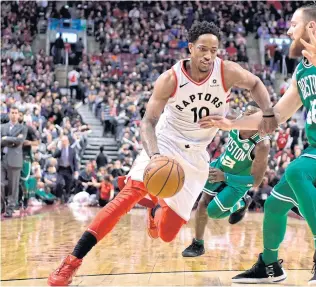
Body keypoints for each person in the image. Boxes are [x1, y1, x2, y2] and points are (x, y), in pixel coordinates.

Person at [47, 21, 277, 286]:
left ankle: (155, 209)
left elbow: (257, 83)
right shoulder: (171, 78)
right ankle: (71, 262)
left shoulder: (227, 72)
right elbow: (148, 121)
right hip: (166, 143)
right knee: (127, 197)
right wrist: (154, 154)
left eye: (214, 50)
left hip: (196, 156)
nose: (208, 55)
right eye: (202, 48)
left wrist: (268, 112)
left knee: (167, 235)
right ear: (190, 48)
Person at [200, 5, 316, 285]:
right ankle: (269, 264)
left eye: (294, 24)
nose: (288, 29)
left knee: (296, 170)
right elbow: (277, 115)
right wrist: (231, 124)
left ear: (311, 28)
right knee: (275, 205)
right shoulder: (301, 72)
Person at [182, 102, 270, 257]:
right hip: (221, 167)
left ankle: (242, 202)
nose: (244, 119)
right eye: (244, 115)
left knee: (213, 212)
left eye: (249, 118)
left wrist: (225, 177)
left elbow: (256, 181)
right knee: (203, 203)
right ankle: (198, 244)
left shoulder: (261, 144)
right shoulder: (234, 119)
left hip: (237, 181)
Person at [1, 107, 27, 217]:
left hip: (15, 160)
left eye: (16, 113)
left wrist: (5, 138)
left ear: (18, 115)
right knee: (0, 184)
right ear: (9, 114)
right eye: (12, 112)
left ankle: (10, 209)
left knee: (13, 186)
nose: (14, 115)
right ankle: (2, 206)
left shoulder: (22, 128)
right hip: (2, 158)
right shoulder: (2, 127)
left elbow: (20, 141)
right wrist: (12, 140)